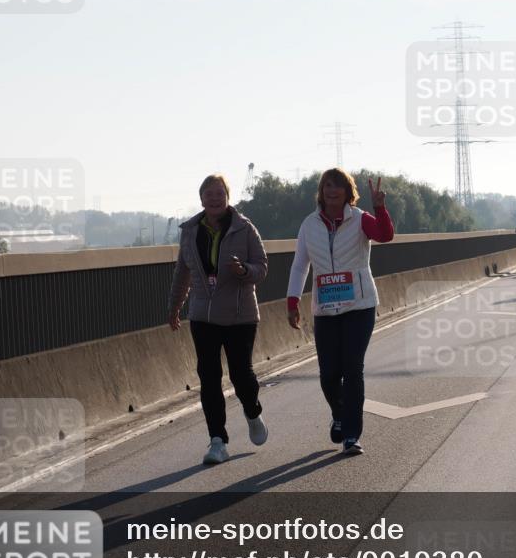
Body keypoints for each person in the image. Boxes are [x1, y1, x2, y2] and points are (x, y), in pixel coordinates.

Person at [286, 169, 394, 455]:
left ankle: (351, 435)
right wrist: (292, 301)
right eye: (327, 187)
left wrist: (380, 207)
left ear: (348, 192)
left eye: (338, 187)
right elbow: (300, 265)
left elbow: (385, 235)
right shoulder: (309, 225)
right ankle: (339, 413)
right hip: (325, 309)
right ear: (321, 192)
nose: (332, 191)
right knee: (328, 374)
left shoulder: (360, 219)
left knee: (352, 370)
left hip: (359, 306)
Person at [168, 174, 270, 465]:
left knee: (241, 376)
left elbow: (262, 267)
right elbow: (182, 272)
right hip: (203, 315)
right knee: (209, 378)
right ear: (201, 199)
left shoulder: (244, 228)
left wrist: (243, 271)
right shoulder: (190, 231)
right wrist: (175, 306)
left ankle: (252, 411)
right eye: (208, 194)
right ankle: (217, 441)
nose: (214, 199)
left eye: (219, 194)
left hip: (240, 315)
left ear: (227, 198)